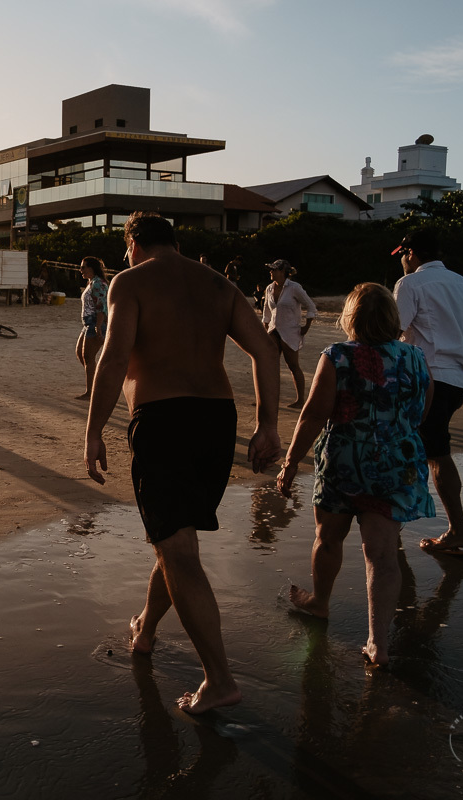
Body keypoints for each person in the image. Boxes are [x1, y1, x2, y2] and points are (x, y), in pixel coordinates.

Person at [84, 212, 281, 714]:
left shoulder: (129, 282)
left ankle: (219, 681)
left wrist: (92, 431)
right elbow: (265, 352)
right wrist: (267, 426)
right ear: (174, 241)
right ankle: (146, 630)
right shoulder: (221, 285)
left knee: (178, 552)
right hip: (217, 421)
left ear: (133, 244)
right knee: (176, 543)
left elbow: (112, 359)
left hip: (163, 421)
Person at [278, 283, 435, 666]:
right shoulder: (415, 357)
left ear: (351, 317)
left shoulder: (338, 356)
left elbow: (314, 414)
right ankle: (377, 644)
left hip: (345, 462)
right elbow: (421, 410)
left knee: (328, 538)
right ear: (392, 319)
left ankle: (320, 603)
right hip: (396, 464)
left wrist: (290, 462)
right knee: (382, 556)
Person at [392, 228, 463, 555]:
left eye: (403, 255)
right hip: (457, 378)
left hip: (426, 378)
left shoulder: (410, 283)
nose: (402, 260)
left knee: (430, 449)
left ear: (411, 253)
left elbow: (392, 331)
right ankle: (399, 521)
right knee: (425, 445)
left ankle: (454, 529)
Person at [262, 260, 318, 409]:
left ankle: (300, 400)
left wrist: (307, 325)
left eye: (273, 270)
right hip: (274, 330)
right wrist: (265, 327)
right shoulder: (269, 288)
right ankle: (268, 399)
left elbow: (310, 306)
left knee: (293, 365)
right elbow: (267, 311)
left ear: (282, 272)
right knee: (269, 365)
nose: (271, 272)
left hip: (290, 331)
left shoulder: (294, 288)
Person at [74, 256, 108, 400]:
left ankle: (91, 392)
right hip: (88, 323)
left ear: (91, 268)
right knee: (81, 354)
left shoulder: (98, 283)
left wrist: (99, 327)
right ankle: (96, 385)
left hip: (95, 322)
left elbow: (101, 307)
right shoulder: (91, 282)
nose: (80, 270)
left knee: (88, 357)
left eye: (83, 267)